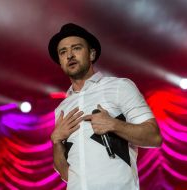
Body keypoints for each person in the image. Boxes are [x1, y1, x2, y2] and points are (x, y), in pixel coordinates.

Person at [48, 23, 162, 190]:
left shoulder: (119, 87)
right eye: (63, 52)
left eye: (76, 48)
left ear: (92, 54)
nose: (70, 55)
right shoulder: (62, 108)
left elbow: (154, 137)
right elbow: (66, 175)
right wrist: (56, 141)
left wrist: (114, 124)